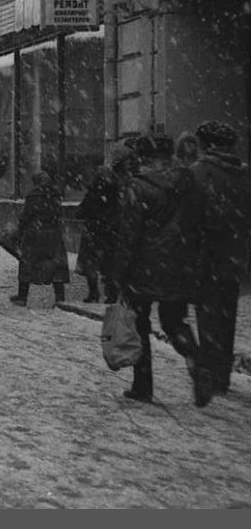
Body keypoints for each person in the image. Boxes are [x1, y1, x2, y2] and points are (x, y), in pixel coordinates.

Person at [113, 133, 205, 406]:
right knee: (175, 321)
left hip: (143, 267)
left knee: (140, 324)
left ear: (143, 157)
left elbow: (128, 234)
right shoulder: (190, 183)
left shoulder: (138, 186)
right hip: (180, 264)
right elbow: (200, 224)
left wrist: (118, 273)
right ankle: (195, 358)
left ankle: (143, 386)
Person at [189, 120, 251, 399]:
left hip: (206, 255)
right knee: (226, 315)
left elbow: (188, 219)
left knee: (208, 316)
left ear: (206, 144)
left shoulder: (199, 173)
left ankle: (211, 373)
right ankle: (222, 374)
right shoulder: (243, 173)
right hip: (235, 256)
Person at [75, 140, 137, 304]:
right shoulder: (126, 180)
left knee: (92, 261)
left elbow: (91, 201)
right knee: (109, 262)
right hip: (114, 227)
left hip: (98, 225)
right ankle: (111, 293)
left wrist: (84, 212)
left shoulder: (105, 179)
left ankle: (95, 292)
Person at [9, 171, 70, 306]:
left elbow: (26, 216)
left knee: (27, 263)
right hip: (53, 233)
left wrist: (19, 230)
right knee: (56, 265)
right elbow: (59, 214)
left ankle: (22, 296)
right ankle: (60, 297)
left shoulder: (33, 195)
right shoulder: (56, 194)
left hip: (35, 233)